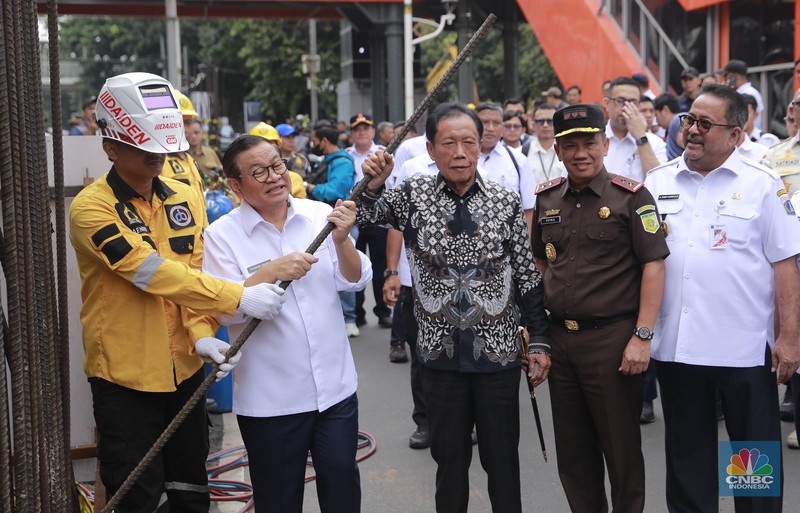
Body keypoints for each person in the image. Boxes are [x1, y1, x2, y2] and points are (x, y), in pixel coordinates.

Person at [70, 72, 285, 513]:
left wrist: (199, 334)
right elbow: (150, 273)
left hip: (184, 371)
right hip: (124, 378)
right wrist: (237, 297)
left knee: (191, 490)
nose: (156, 158)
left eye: (161, 149)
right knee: (137, 495)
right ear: (111, 148)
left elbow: (193, 269)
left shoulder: (184, 195)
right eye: (144, 148)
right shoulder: (91, 208)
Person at [358, 102, 551, 513]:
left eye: (469, 142)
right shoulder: (412, 194)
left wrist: (540, 342)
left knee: (503, 463)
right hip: (438, 357)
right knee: (448, 462)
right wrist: (372, 181)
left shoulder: (503, 200)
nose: (460, 152)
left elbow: (527, 274)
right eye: (449, 143)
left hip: (498, 358)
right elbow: (366, 212)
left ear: (481, 146)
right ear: (431, 150)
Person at [645, 84, 800, 513]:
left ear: (736, 134)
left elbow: (784, 265)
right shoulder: (658, 183)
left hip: (744, 351)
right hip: (679, 346)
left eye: (705, 124)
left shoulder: (763, 185)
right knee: (688, 461)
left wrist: (789, 338)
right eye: (689, 120)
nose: (692, 130)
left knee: (752, 464)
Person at [202, 134, 371, 513]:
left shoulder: (317, 215)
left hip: (335, 389)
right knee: (278, 499)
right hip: (271, 400)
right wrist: (270, 272)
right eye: (258, 172)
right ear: (235, 185)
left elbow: (355, 279)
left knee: (342, 486)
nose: (274, 177)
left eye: (277, 165)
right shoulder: (220, 236)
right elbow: (224, 309)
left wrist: (343, 242)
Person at [532, 103, 668, 513]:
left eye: (589, 143)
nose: (580, 153)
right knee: (574, 455)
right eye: (570, 145)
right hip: (561, 342)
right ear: (557, 150)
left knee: (621, 453)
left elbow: (654, 266)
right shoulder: (547, 198)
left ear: (605, 144)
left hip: (612, 342)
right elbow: (542, 263)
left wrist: (642, 336)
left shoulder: (632, 196)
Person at [306, 121, 359, 336]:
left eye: (315, 140)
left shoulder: (342, 162)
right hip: (324, 222)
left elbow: (336, 190)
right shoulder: (326, 160)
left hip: (339, 224)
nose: (312, 143)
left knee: (344, 270)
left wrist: (308, 187)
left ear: (324, 141)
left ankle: (350, 319)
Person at [475, 102, 536, 228]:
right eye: (484, 122)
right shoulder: (461, 160)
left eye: (496, 123)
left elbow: (529, 208)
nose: (490, 128)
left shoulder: (518, 160)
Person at [604, 77, 668, 182]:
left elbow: (658, 182)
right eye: (620, 101)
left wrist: (640, 136)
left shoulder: (655, 143)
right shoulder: (595, 140)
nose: (626, 107)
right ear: (607, 104)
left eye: (633, 102)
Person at [521, 103, 567, 183]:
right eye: (540, 121)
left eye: (550, 121)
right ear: (533, 124)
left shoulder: (566, 150)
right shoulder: (523, 151)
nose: (545, 125)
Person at [720, 59, 764, 127]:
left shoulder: (749, 93)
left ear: (734, 76)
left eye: (726, 75)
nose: (724, 79)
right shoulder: (741, 92)